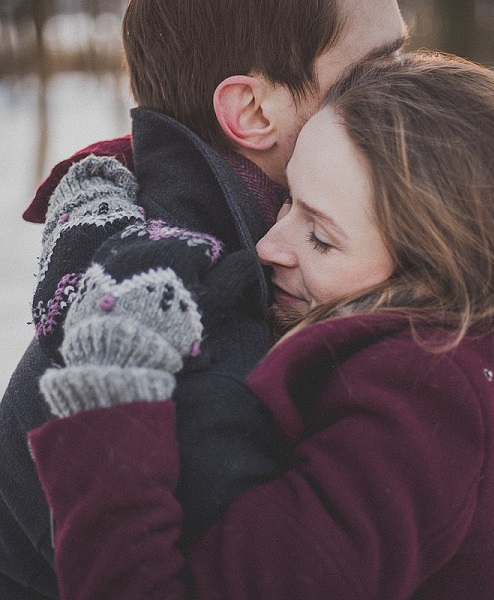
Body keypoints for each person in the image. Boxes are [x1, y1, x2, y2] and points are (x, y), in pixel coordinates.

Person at [26, 51, 494, 599]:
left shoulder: (416, 419)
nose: (269, 246)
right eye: (287, 199)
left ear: (434, 277)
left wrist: (110, 393)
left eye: (321, 237)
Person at [0, 0, 408, 597]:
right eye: (379, 67)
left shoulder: (287, 263)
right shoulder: (195, 343)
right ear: (251, 111)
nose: (415, 87)